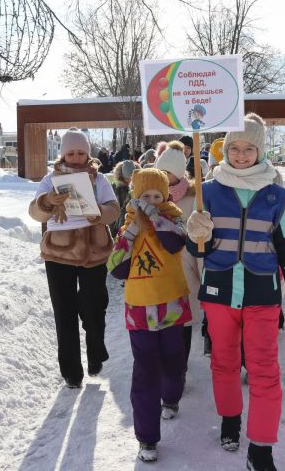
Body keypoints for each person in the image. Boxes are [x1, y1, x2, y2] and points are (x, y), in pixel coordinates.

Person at [186, 113, 285, 471]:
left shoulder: (276, 196)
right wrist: (196, 234)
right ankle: (229, 419)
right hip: (219, 292)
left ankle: (261, 449)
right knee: (223, 363)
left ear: (261, 150)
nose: (241, 155)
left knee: (265, 371)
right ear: (225, 149)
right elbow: (197, 253)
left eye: (249, 148)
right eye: (235, 147)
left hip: (261, 294)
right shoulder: (206, 192)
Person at [107, 168, 191, 463]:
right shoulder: (127, 226)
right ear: (135, 196)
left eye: (157, 196)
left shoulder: (174, 220)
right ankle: (147, 438)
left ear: (166, 196)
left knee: (173, 360)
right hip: (140, 309)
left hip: (171, 305)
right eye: (145, 197)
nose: (151, 201)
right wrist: (134, 228)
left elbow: (175, 243)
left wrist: (154, 219)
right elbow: (116, 268)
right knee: (145, 372)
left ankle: (171, 397)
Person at [28, 128, 121, 389]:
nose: (76, 157)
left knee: (94, 307)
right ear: (63, 153)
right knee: (64, 312)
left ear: (88, 153)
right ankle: (71, 371)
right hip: (59, 253)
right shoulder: (50, 179)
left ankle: (95, 353)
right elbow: (35, 213)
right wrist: (48, 201)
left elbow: (114, 210)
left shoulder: (99, 179)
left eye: (81, 152)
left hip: (94, 251)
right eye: (71, 152)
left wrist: (98, 214)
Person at [154, 141, 202, 383]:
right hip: (159, 270)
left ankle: (179, 371)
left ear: (179, 174)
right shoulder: (152, 198)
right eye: (160, 172)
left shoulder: (193, 200)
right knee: (163, 321)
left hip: (185, 269)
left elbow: (198, 238)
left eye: (167, 173)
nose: (163, 178)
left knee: (183, 322)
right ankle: (168, 367)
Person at [110, 160, 139, 237]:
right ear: (122, 176)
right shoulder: (116, 187)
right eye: (127, 178)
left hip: (134, 220)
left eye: (132, 178)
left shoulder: (138, 186)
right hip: (118, 221)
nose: (130, 181)